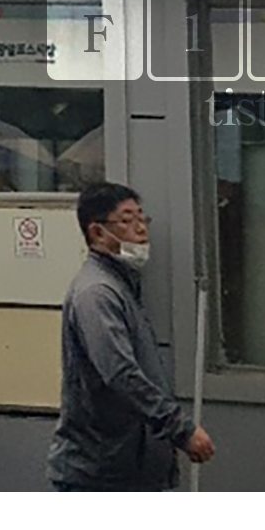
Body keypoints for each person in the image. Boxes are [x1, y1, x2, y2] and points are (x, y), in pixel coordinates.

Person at [50, 182, 215, 491]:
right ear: (97, 232)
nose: (141, 229)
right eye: (127, 220)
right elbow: (120, 373)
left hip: (130, 468)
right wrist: (180, 429)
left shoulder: (122, 285)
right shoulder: (97, 293)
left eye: (142, 218)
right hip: (101, 475)